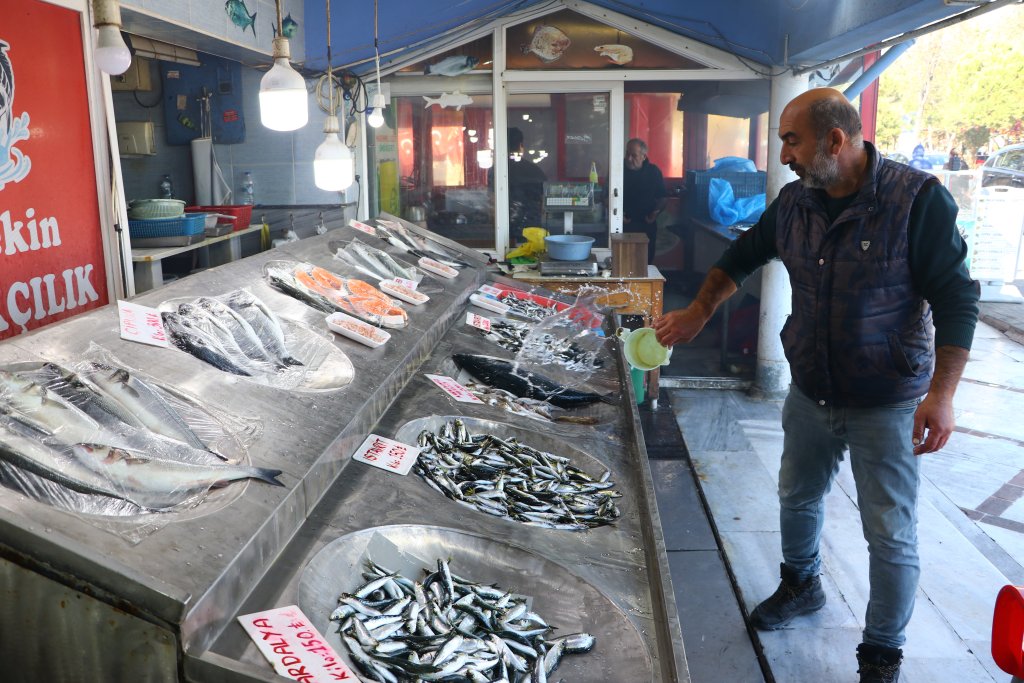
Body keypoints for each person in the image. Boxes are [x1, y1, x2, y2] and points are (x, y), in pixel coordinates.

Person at [653, 88, 979, 683]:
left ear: (836, 139)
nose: (785, 154)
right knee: (797, 496)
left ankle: (882, 652)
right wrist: (700, 309)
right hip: (810, 389)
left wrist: (943, 394)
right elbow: (741, 256)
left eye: (792, 139)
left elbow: (957, 297)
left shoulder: (916, 200)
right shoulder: (795, 203)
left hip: (887, 399)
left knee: (889, 530)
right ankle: (801, 585)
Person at [490, 127, 547, 245]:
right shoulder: (535, 170)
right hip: (532, 227)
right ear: (521, 145)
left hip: (504, 227)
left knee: (505, 254)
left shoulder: (496, 170)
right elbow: (543, 202)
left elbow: (492, 200)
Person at [623, 138, 668, 265]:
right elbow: (606, 196)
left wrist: (655, 213)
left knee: (645, 262)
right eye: (627, 154)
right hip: (622, 224)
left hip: (646, 224)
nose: (629, 159)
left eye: (634, 155)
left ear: (643, 156)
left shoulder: (653, 172)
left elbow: (663, 197)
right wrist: (617, 214)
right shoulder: (618, 169)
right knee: (623, 261)